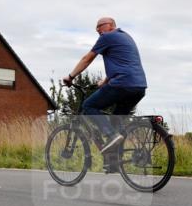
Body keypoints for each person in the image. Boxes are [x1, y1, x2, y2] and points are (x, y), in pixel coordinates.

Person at [63, 17, 147, 168]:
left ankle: (110, 135)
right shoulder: (126, 37)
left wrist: (71, 77)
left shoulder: (107, 37)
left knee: (88, 106)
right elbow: (123, 62)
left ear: (109, 25)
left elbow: (87, 59)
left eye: (99, 27)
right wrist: (106, 80)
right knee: (117, 120)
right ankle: (114, 162)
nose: (98, 31)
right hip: (139, 87)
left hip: (122, 84)